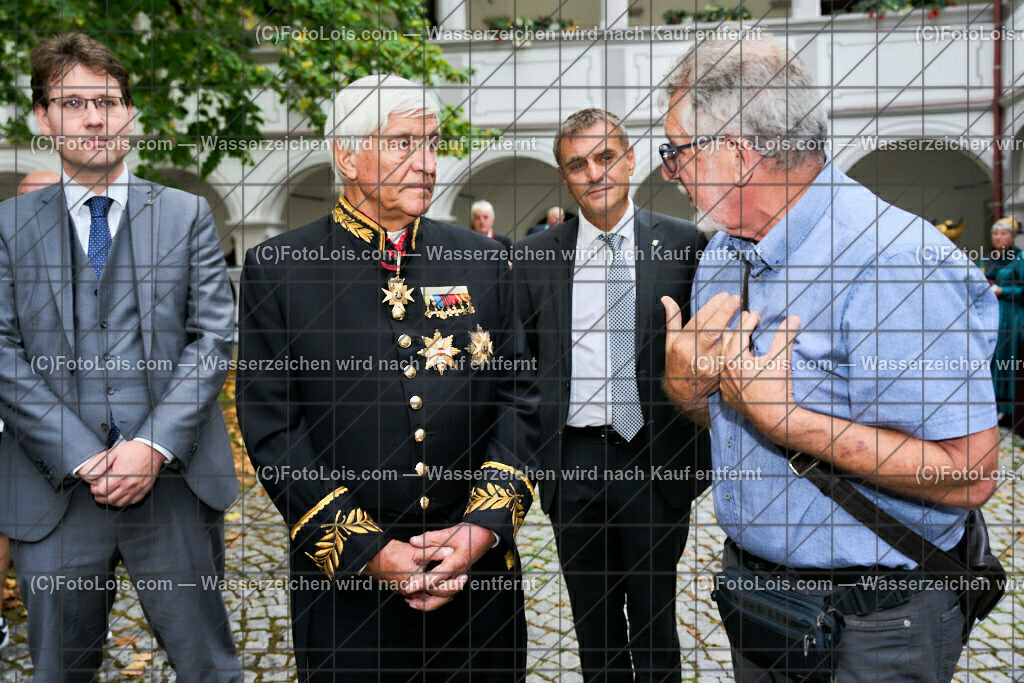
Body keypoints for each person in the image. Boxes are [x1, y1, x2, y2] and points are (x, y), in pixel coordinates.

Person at [659, 35, 999, 681]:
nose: (671, 170)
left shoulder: (895, 262)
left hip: (875, 621)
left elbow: (970, 474)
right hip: (760, 601)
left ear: (736, 151)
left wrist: (788, 419)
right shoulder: (723, 255)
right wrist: (684, 385)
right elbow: (729, 419)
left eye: (677, 150)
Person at [235, 73, 540, 682]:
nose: (427, 163)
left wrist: (481, 530)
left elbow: (521, 398)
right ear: (346, 155)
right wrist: (371, 553)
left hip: (476, 582)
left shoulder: (483, 261)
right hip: (349, 594)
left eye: (432, 144)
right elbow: (275, 430)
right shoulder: (281, 271)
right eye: (404, 143)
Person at [0, 33, 241, 681]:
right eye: (73, 102)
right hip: (53, 495)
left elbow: (214, 337)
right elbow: (1, 352)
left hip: (174, 488)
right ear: (43, 118)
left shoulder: (187, 216)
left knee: (208, 668)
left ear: (130, 114)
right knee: (59, 671)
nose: (94, 117)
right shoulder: (8, 228)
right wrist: (81, 453)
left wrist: (152, 446)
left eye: (108, 101)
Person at [514, 108, 710, 682]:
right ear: (564, 176)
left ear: (629, 160)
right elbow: (519, 370)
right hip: (572, 465)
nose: (594, 173)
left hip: (653, 461)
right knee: (593, 631)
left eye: (605, 157)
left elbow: (703, 358)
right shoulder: (534, 258)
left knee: (655, 626)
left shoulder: (683, 246)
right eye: (578, 164)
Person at [982, 215, 1024, 428]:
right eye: (995, 233)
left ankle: (1009, 410)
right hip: (991, 314)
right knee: (991, 356)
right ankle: (992, 406)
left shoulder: (1020, 258)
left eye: (1003, 233)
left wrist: (1003, 290)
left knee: (1010, 356)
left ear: (1013, 236)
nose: (998, 237)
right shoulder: (988, 259)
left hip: (1012, 313)